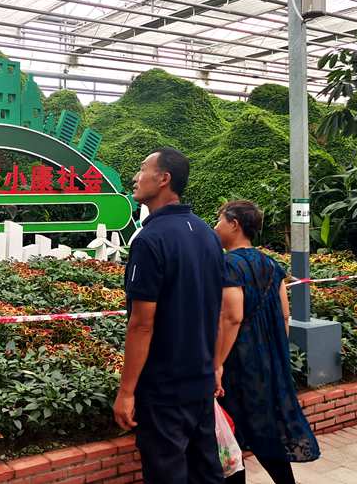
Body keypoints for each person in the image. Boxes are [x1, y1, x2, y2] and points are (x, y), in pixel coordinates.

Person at [113, 148, 225, 484]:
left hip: (164, 389)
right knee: (206, 472)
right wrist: (215, 366)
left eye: (142, 169)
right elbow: (216, 308)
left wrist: (126, 392)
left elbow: (141, 324)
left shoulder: (150, 240)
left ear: (164, 179)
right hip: (200, 380)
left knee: (167, 473)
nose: (136, 177)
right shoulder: (208, 234)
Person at [213, 200, 320, 484]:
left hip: (236, 363)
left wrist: (217, 363)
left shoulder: (228, 265)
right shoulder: (271, 264)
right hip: (268, 361)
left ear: (234, 224)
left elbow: (232, 317)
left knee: (230, 434)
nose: (216, 227)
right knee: (264, 431)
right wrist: (275, 354)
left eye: (219, 220)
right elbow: (284, 315)